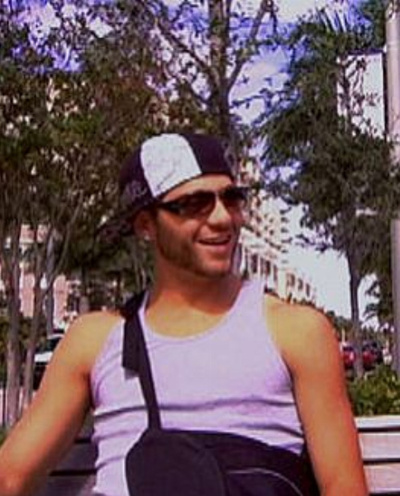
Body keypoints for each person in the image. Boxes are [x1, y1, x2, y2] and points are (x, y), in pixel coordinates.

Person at [0, 132, 368, 496]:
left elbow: (344, 486)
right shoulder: (94, 340)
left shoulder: (296, 331)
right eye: (194, 204)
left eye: (231, 198)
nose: (223, 218)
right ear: (146, 225)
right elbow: (10, 477)